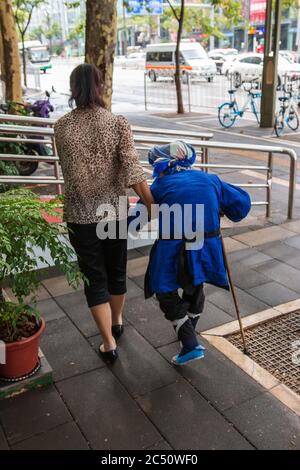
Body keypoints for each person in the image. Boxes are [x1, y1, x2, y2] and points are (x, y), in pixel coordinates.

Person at [54, 64, 154, 365]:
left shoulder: (60, 127)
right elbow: (132, 169)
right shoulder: (117, 123)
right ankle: (117, 320)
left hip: (79, 213)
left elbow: (67, 167)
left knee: (94, 277)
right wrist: (152, 204)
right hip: (113, 211)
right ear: (99, 86)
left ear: (73, 89)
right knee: (116, 270)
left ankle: (108, 344)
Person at [141, 140, 251, 366]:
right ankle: (187, 332)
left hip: (173, 250)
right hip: (205, 248)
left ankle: (189, 343)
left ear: (164, 164)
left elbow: (138, 217)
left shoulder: (160, 186)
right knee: (194, 283)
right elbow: (241, 206)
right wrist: (223, 208)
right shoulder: (211, 180)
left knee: (165, 290)